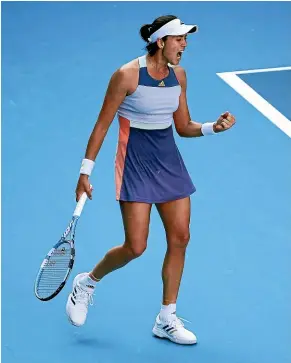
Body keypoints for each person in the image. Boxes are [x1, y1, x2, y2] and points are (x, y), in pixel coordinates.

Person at [66, 15, 235, 345]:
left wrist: (212, 127)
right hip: (135, 163)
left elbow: (183, 126)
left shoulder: (180, 76)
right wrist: (84, 172)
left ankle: (166, 318)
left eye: (186, 39)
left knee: (181, 236)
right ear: (161, 42)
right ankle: (87, 282)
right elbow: (102, 126)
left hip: (169, 160)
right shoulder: (127, 75)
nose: (184, 45)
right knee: (136, 246)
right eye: (179, 39)